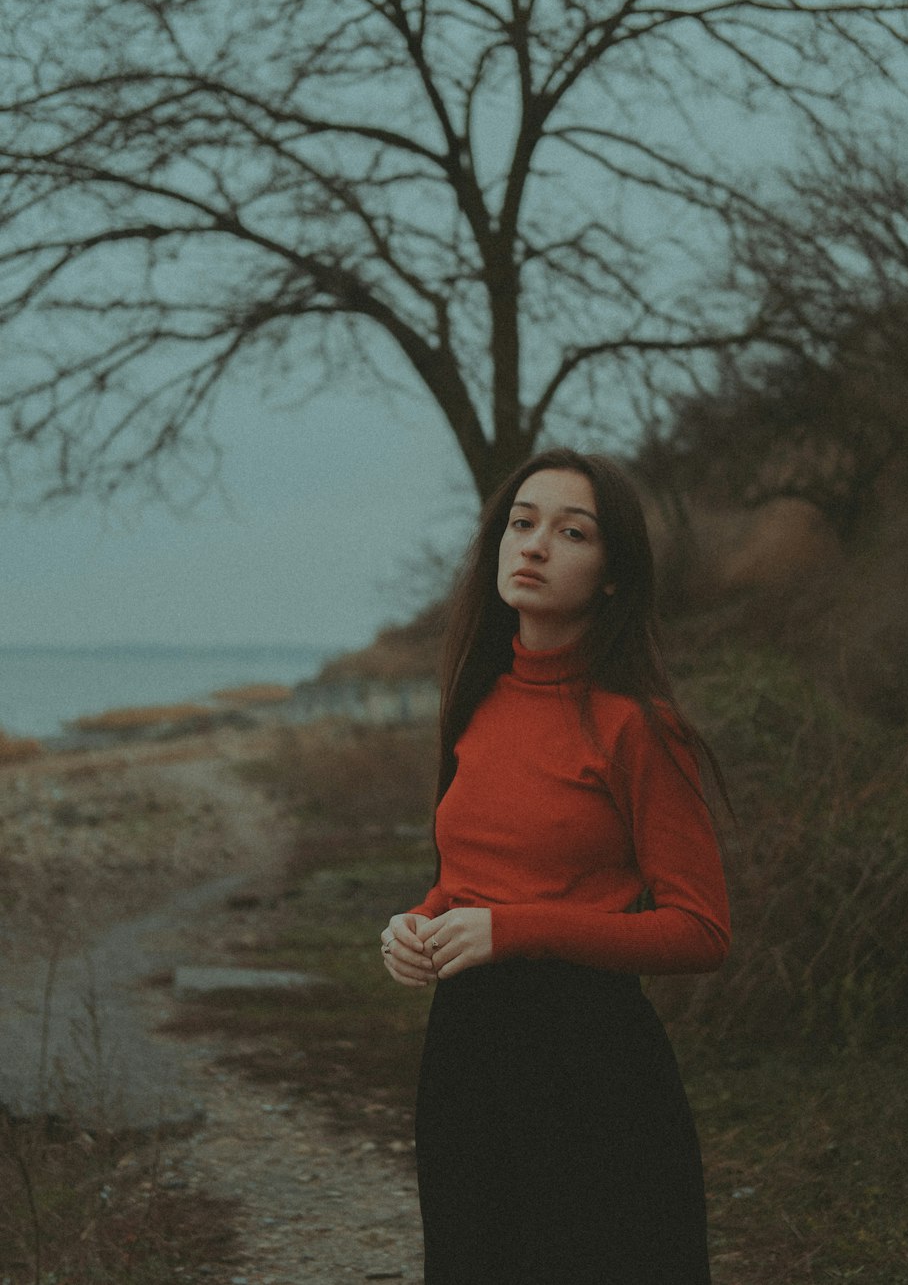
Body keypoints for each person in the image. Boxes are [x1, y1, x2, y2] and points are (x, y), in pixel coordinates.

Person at [380, 447, 730, 1285]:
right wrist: (420, 922)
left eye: (571, 532)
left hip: (591, 1066)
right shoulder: (478, 699)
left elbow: (702, 929)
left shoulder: (637, 726)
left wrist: (514, 930)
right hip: (466, 1059)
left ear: (613, 575)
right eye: (521, 523)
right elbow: (470, 873)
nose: (534, 545)